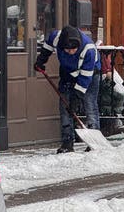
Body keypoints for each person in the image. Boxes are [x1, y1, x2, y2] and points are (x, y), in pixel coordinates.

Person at [35, 25, 101, 153]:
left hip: (90, 75)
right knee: (64, 106)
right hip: (67, 72)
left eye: (74, 50)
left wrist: (76, 99)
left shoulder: (89, 50)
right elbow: (47, 47)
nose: (71, 52)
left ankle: (94, 143)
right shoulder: (56, 37)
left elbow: (85, 78)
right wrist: (41, 60)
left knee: (89, 105)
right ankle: (67, 142)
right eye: (67, 50)